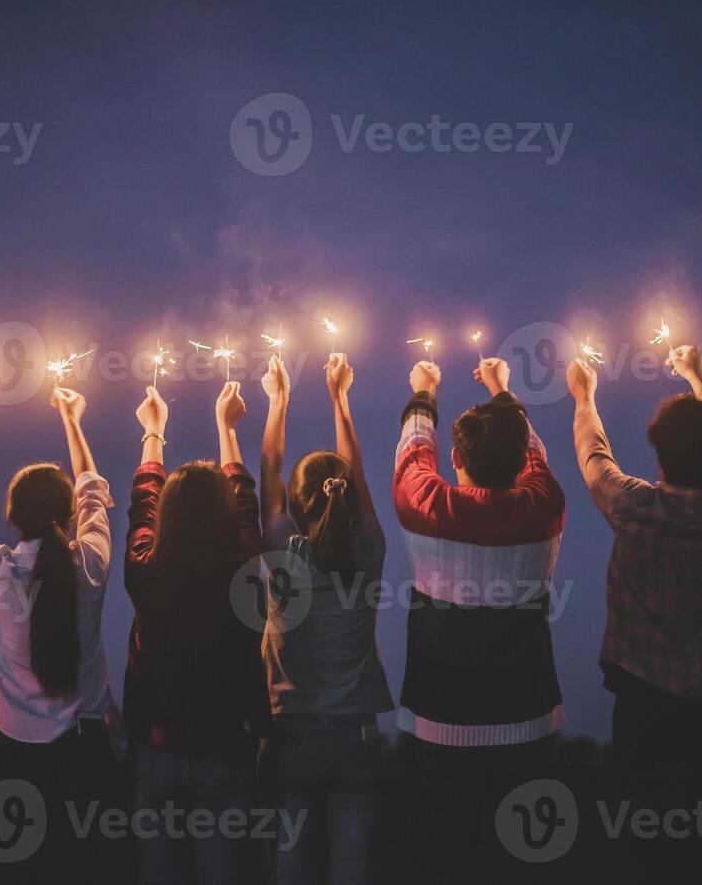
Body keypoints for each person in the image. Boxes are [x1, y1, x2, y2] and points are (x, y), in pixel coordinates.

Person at [567, 344, 702, 881]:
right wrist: (700, 381)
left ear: (657, 456)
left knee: (641, 840)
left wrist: (584, 395)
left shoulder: (634, 507)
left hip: (642, 708)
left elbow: (593, 456)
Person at [392, 356, 567, 883]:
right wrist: (502, 391)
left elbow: (411, 457)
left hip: (440, 727)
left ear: (454, 458)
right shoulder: (544, 505)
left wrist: (423, 393)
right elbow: (536, 454)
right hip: (529, 721)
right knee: (522, 864)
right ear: (520, 462)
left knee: (448, 861)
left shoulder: (426, 504)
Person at [0, 386, 119, 881]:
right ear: (67, 514)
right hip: (84, 751)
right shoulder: (89, 564)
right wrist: (72, 420)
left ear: (13, 517)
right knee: (87, 869)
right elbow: (93, 493)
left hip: (13, 755)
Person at [123, 381, 270, 884]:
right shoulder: (243, 567)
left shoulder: (143, 568)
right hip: (223, 753)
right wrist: (227, 428)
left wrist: (153, 434)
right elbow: (246, 503)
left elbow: (143, 508)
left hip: (154, 751)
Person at [257, 353, 394, 885]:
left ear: (296, 502)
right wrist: (341, 398)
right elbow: (354, 474)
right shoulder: (370, 547)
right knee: (352, 871)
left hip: (290, 733)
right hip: (354, 734)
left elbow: (267, 470)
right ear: (349, 497)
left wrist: (278, 400)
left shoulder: (281, 550)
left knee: (289, 867)